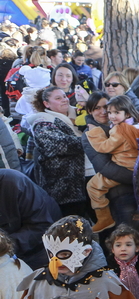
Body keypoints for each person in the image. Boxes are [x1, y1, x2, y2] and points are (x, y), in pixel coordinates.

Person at [24, 86, 90, 217]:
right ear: (46, 104)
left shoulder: (82, 113)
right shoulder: (42, 121)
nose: (64, 100)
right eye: (58, 98)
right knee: (71, 229)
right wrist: (92, 140)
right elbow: (56, 145)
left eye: (65, 96)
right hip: (64, 189)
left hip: (91, 179)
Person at [85, 98, 139, 232]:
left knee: (93, 186)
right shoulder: (135, 126)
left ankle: (104, 219)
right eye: (110, 112)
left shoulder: (119, 130)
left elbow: (104, 147)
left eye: (116, 112)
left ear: (127, 113)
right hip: (133, 166)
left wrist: (95, 132)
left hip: (122, 167)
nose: (111, 116)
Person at [0, 169, 61, 269]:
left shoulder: (14, 183)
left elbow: (42, 226)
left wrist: (5, 245)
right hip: (10, 251)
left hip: (43, 245)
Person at [105, 224, 139, 299]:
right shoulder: (107, 266)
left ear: (137, 248)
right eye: (118, 245)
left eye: (128, 245)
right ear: (112, 249)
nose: (123, 249)